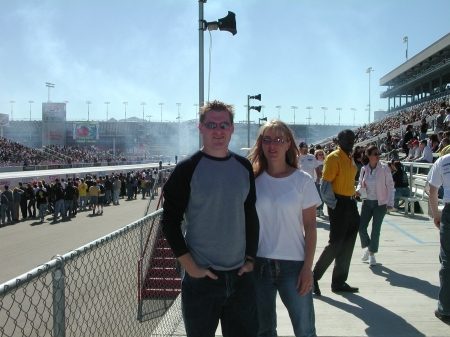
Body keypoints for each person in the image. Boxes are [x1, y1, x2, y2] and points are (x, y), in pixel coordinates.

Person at [161, 100, 259, 337]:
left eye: (224, 124)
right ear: (201, 128)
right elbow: (169, 222)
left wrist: (250, 260)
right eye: (211, 124)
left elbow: (250, 215)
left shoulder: (243, 166)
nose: (218, 130)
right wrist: (191, 268)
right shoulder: (186, 169)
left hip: (240, 278)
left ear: (232, 128)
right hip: (202, 280)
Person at [248, 119, 320, 337]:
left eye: (279, 140)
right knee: (263, 330)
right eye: (267, 139)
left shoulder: (302, 180)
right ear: (261, 144)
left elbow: (310, 227)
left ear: (289, 144)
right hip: (259, 265)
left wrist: (307, 268)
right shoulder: (253, 180)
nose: (273, 145)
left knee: (305, 330)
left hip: (294, 266)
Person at [313, 129, 360, 295]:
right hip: (339, 203)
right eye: (347, 139)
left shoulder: (350, 158)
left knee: (347, 245)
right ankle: (314, 277)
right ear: (338, 141)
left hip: (351, 203)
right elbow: (325, 186)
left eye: (352, 139)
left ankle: (339, 282)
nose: (351, 141)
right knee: (335, 244)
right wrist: (334, 205)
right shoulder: (334, 157)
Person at [356, 145, 395, 266]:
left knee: (375, 230)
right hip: (367, 202)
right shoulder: (364, 169)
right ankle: (369, 247)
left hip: (380, 203)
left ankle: (372, 254)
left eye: (378, 154)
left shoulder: (384, 169)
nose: (378, 156)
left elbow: (390, 185)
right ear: (368, 155)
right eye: (375, 154)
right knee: (361, 227)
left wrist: (390, 202)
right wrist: (358, 190)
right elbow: (360, 183)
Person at [427, 154, 450, 322]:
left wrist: (436, 214)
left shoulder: (443, 160)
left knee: (448, 259)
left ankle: (445, 309)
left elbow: (433, 190)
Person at [315, 149, 326, 217]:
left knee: (323, 196)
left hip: (324, 180)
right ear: (316, 155)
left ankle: (321, 209)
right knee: (317, 195)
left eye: (322, 154)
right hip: (316, 180)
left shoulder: (326, 162)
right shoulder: (315, 162)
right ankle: (317, 209)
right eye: (319, 154)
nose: (321, 156)